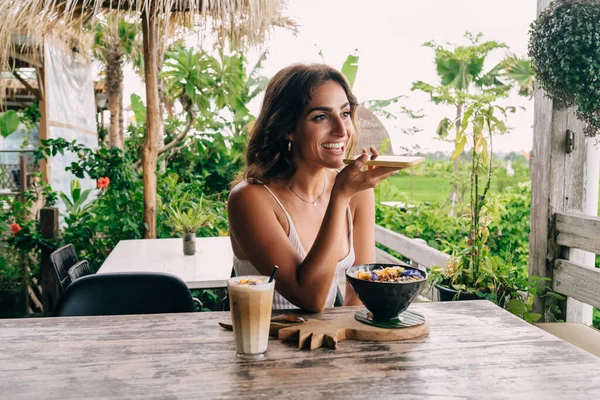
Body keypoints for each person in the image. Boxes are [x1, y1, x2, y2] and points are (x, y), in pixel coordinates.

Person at [228, 63, 402, 312]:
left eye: (344, 113)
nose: (342, 130)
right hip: (263, 344)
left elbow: (361, 294)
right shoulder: (250, 199)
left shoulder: (357, 194)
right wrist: (340, 196)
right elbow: (310, 298)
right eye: (321, 117)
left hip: (328, 343)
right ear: (288, 128)